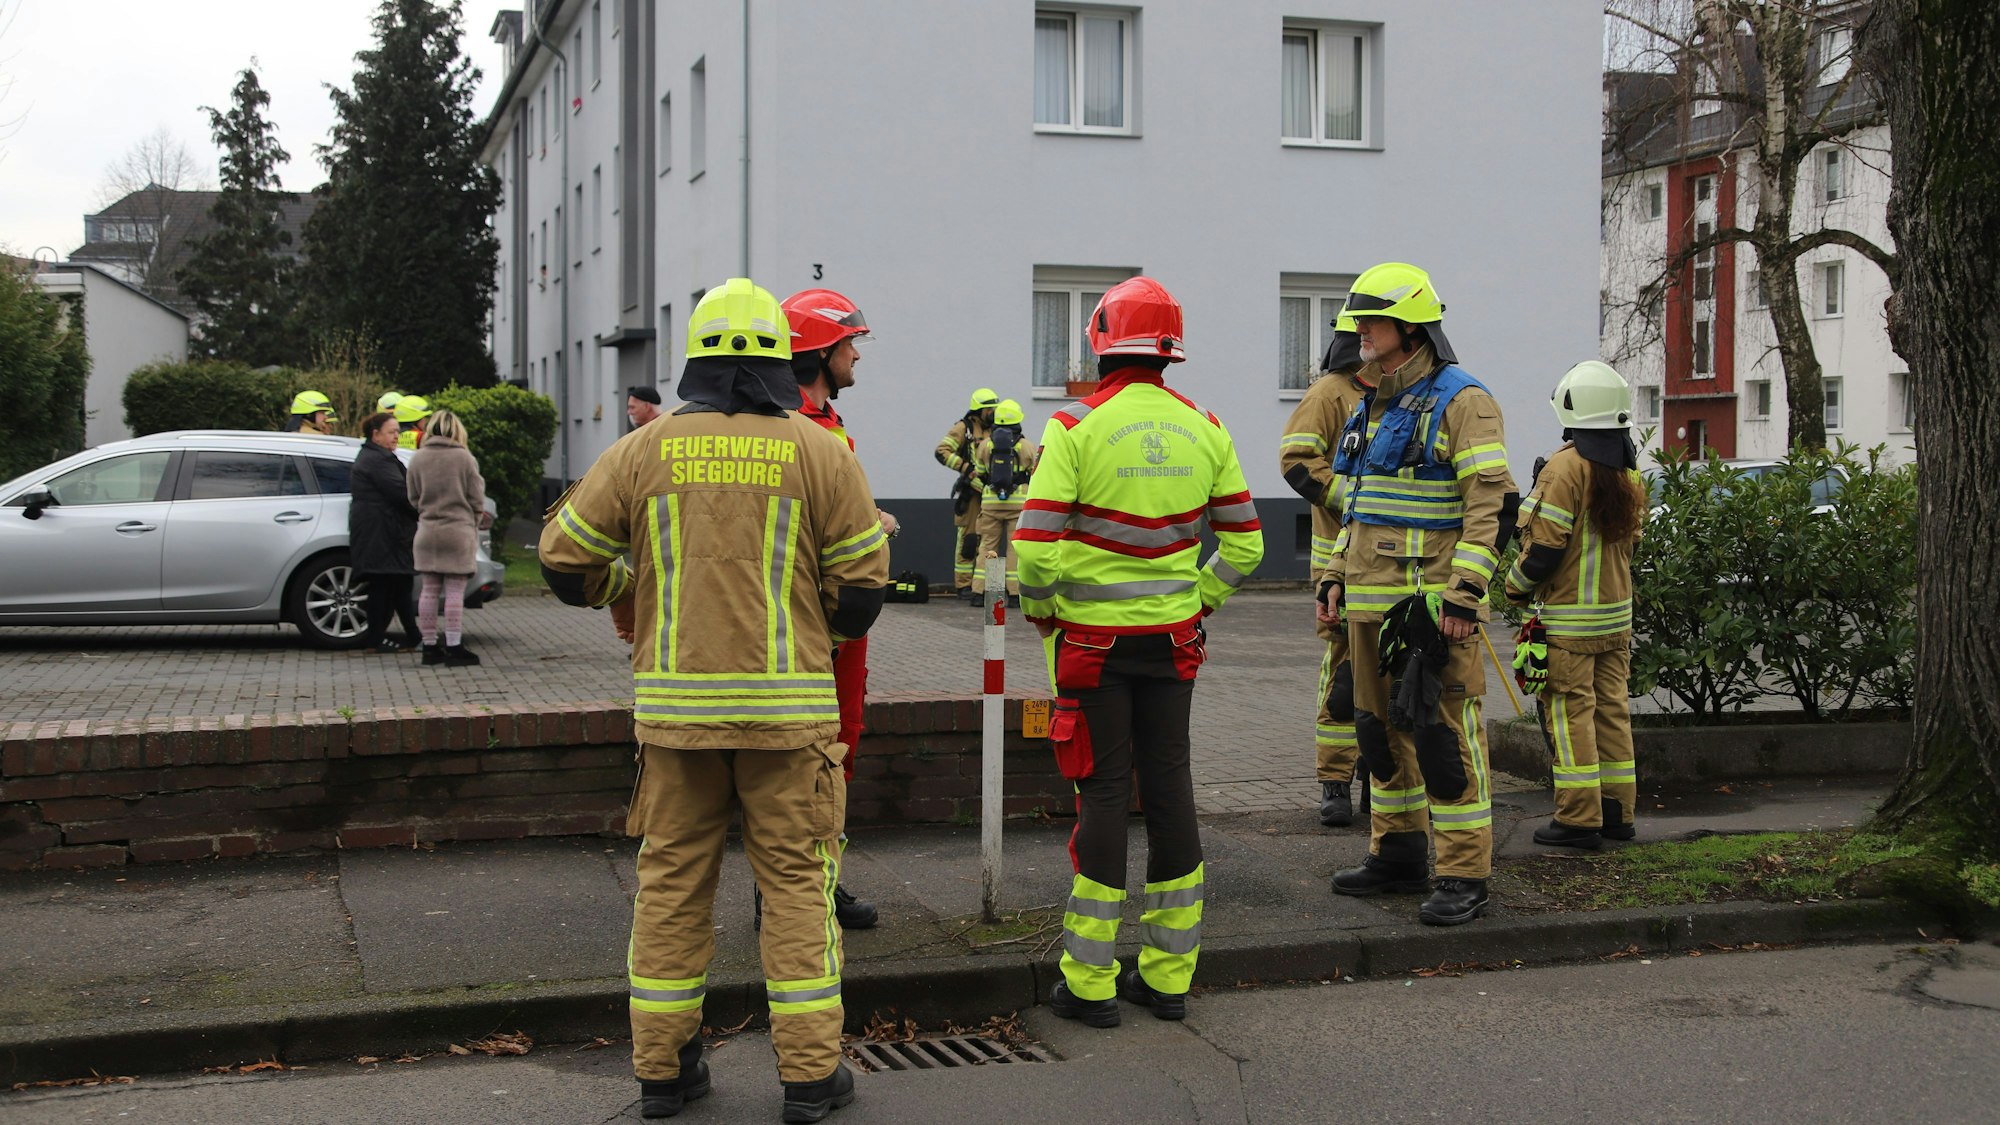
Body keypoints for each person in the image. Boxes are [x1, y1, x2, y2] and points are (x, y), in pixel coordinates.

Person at [538, 278, 887, 1122]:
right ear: (780, 357)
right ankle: (810, 1077)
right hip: (789, 720)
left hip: (676, 720)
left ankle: (664, 1071)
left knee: (671, 887)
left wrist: (628, 580)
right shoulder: (820, 449)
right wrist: (811, 613)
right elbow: (863, 591)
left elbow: (561, 560)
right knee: (800, 888)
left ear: (694, 357)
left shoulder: (642, 449)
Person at [1014, 277, 1263, 1027]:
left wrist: (1044, 611)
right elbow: (1246, 545)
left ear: (1101, 338)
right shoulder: (1207, 427)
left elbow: (1032, 552)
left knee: (1104, 793)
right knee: (1172, 787)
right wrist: (1201, 597)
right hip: (1173, 646)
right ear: (1170, 349)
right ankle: (1169, 975)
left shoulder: (1074, 427)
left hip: (1091, 651)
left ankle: (1090, 985)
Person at [1320, 262, 1519, 927]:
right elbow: (1358, 505)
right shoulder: (1371, 401)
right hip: (1369, 606)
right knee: (1377, 736)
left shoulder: (1464, 400)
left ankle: (1464, 871)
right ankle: (1398, 852)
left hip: (1432, 612)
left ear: (1409, 325)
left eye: (1370, 322)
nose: (1359, 334)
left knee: (1444, 741)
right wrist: (1332, 578)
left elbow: (1489, 505)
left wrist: (1463, 596)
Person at [783, 285, 899, 932]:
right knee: (811, 750)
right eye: (850, 341)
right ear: (821, 351)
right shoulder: (796, 425)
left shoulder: (824, 421)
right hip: (814, 619)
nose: (857, 352)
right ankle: (794, 887)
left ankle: (821, 878)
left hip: (841, 617)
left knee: (839, 747)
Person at [1506, 361, 1644, 850]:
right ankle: (1617, 815)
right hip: (1616, 624)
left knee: (1570, 717)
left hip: (1568, 626)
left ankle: (1578, 819)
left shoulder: (1564, 468)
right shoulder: (1627, 473)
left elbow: (1542, 551)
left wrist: (1512, 588)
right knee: (1612, 714)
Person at [1279, 314, 1373, 827]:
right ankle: (1335, 781)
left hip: (1395, 564)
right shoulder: (1330, 394)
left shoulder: (1411, 392)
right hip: (1339, 563)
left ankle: (1381, 781)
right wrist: (1356, 500)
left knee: (1390, 676)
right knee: (1343, 675)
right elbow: (1296, 463)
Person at [406, 408, 489, 668]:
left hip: (428, 531)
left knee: (429, 591)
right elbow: (477, 499)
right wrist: (471, 522)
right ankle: (454, 646)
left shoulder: (418, 458)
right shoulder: (464, 458)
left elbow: (412, 497)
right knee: (454, 591)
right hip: (458, 530)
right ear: (457, 430)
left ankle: (429, 646)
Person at [350, 412, 422, 654]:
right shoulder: (377, 461)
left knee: (399, 584)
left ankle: (412, 636)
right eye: (391, 432)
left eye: (397, 432)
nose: (396, 437)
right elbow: (402, 494)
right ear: (376, 434)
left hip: (387, 533)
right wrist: (424, 510)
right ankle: (376, 638)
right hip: (382, 534)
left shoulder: (380, 457)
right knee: (383, 585)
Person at [971, 398, 1037, 607]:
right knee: (1013, 549)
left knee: (986, 547)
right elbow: (1034, 474)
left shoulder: (984, 445)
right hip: (1018, 505)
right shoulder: (1026, 446)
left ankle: (978, 592)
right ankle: (1015, 595)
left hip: (990, 504)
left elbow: (980, 473)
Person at [935, 389, 999, 601]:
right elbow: (942, 451)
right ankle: (963, 585)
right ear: (979, 411)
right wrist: (965, 467)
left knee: (989, 540)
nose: (993, 412)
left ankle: (984, 585)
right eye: (990, 409)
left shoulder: (999, 429)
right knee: (969, 539)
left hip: (993, 494)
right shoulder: (965, 428)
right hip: (972, 493)